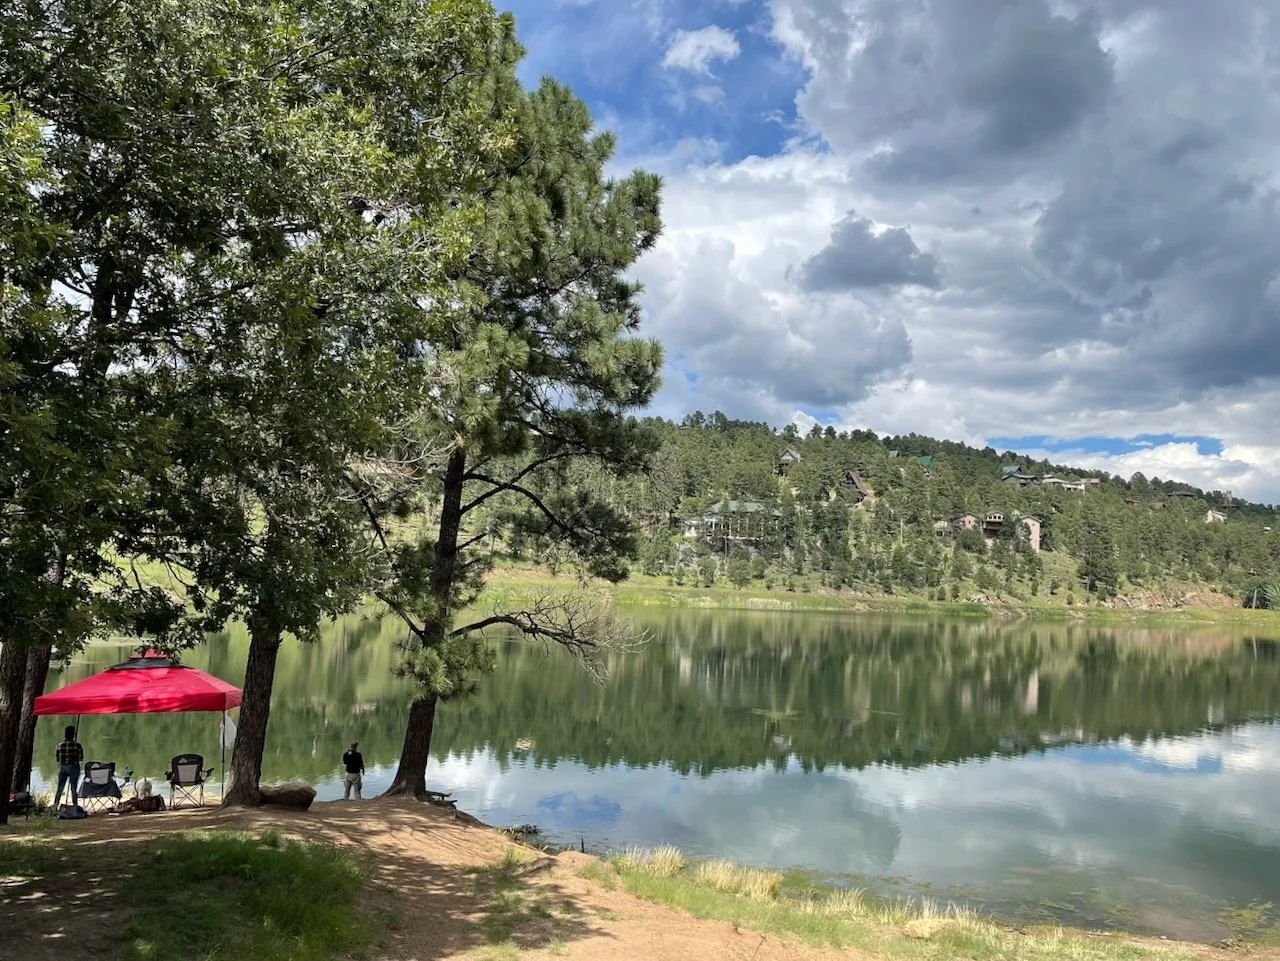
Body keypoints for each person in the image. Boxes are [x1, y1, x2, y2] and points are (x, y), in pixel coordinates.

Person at [53, 725, 84, 809]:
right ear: (73, 734)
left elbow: (57, 759)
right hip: (74, 767)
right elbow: (81, 758)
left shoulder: (59, 745)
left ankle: (55, 805)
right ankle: (75, 806)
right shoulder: (77, 745)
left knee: (60, 788)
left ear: (65, 734)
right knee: (73, 788)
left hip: (62, 767)